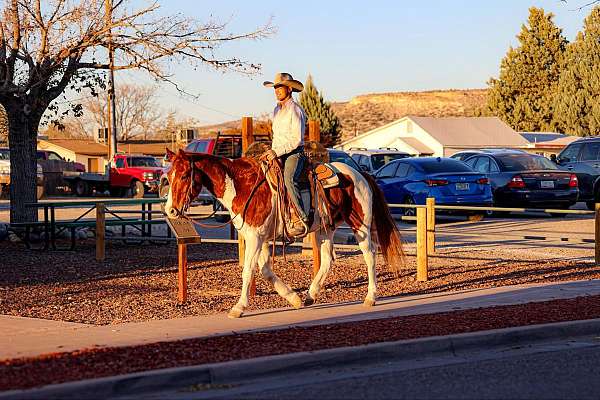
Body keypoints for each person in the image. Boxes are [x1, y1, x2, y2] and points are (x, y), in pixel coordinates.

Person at [262, 72, 309, 233]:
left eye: (280, 87)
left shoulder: (295, 110)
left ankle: (299, 218)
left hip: (294, 153)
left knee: (288, 178)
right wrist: (271, 152)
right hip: (278, 152)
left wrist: (277, 151)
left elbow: (296, 139)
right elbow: (278, 136)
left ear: (289, 89)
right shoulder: (276, 110)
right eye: (275, 87)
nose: (276, 90)